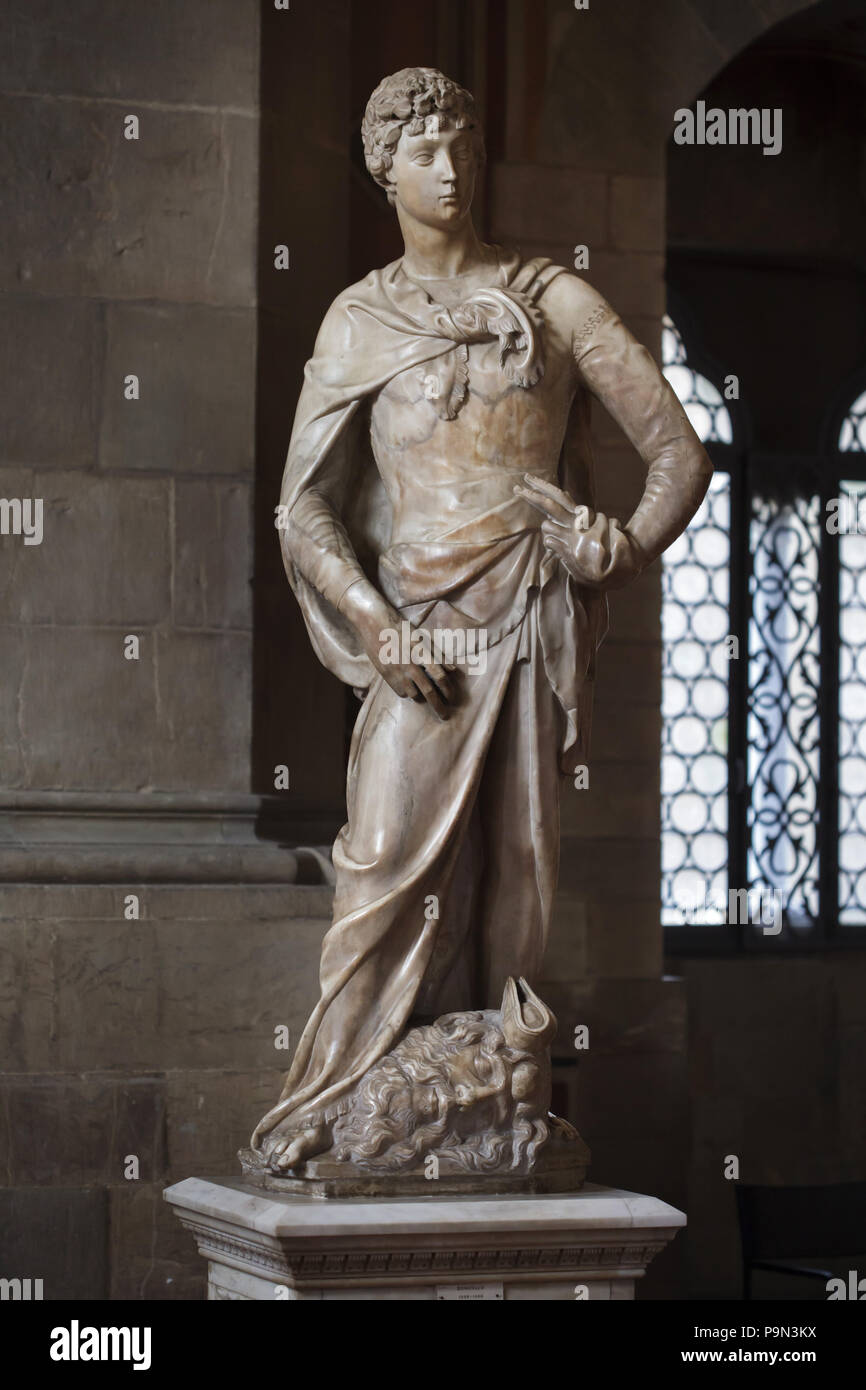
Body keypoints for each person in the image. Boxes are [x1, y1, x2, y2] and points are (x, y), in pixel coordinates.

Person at [250, 67, 712, 1173]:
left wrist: (623, 543)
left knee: (516, 872)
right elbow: (302, 502)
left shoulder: (553, 298)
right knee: (379, 865)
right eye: (423, 151)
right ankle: (340, 1094)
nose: (449, 169)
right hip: (422, 631)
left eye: (462, 145)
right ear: (382, 170)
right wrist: (374, 620)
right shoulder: (358, 318)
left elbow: (677, 454)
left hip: (532, 613)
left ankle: (493, 1090)